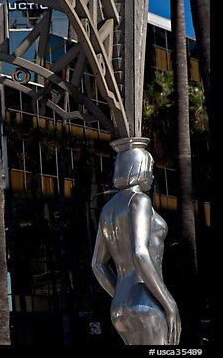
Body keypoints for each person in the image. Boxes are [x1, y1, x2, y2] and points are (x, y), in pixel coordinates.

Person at [91, 137, 181, 345]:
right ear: (139, 167)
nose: (151, 175)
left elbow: (97, 264)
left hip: (120, 305)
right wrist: (169, 303)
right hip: (146, 300)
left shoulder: (108, 209)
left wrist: (121, 295)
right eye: (149, 168)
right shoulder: (139, 200)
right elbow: (140, 253)